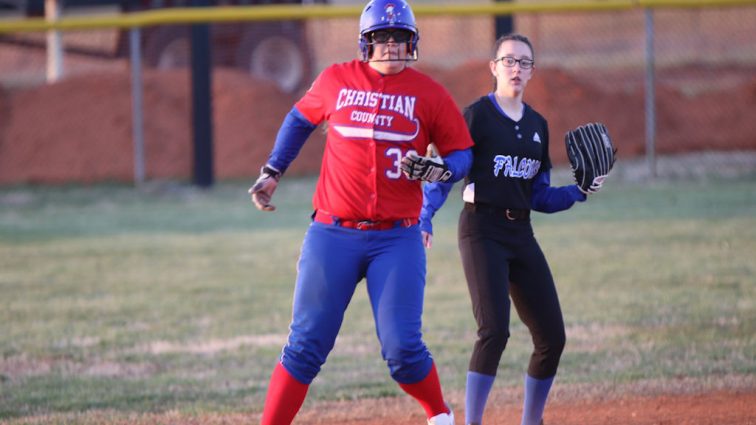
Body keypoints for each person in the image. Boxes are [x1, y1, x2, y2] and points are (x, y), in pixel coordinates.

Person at [248, 1, 474, 424]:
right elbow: (299, 120)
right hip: (332, 233)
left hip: (397, 237)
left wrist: (445, 168)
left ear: (412, 42)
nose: (391, 46)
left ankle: (440, 415)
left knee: (404, 350)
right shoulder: (336, 79)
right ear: (365, 43)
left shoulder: (429, 93)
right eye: (381, 38)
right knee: (304, 347)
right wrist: (272, 170)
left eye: (399, 37)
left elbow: (463, 153)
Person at [420, 34, 592, 425]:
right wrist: (425, 215)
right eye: (509, 61)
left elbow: (540, 195)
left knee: (552, 338)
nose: (516, 69)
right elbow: (448, 172)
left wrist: (579, 192)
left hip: (521, 232)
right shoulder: (477, 116)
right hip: (481, 229)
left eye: (525, 63)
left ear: (532, 72)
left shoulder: (537, 125)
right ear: (493, 67)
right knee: (494, 331)